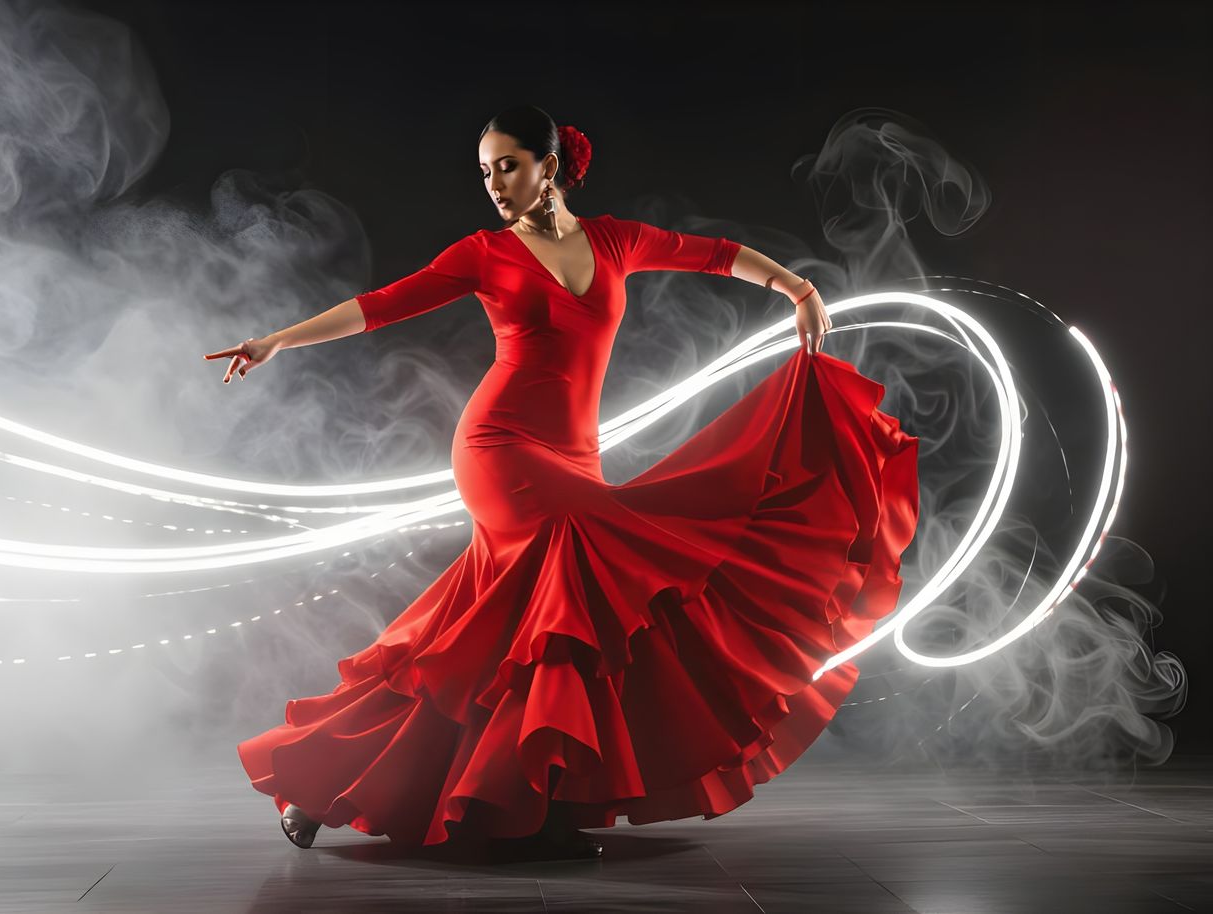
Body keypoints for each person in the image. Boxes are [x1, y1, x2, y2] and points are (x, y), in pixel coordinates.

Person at [205, 105, 919, 860]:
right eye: (484, 172)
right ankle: (533, 802)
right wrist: (277, 340)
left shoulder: (616, 240)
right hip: (500, 449)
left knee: (479, 643)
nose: (494, 185)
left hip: (578, 457)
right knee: (575, 574)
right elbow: (385, 306)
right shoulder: (483, 252)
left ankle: (325, 783)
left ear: (550, 166)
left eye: (506, 166)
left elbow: (713, 256)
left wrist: (796, 289)